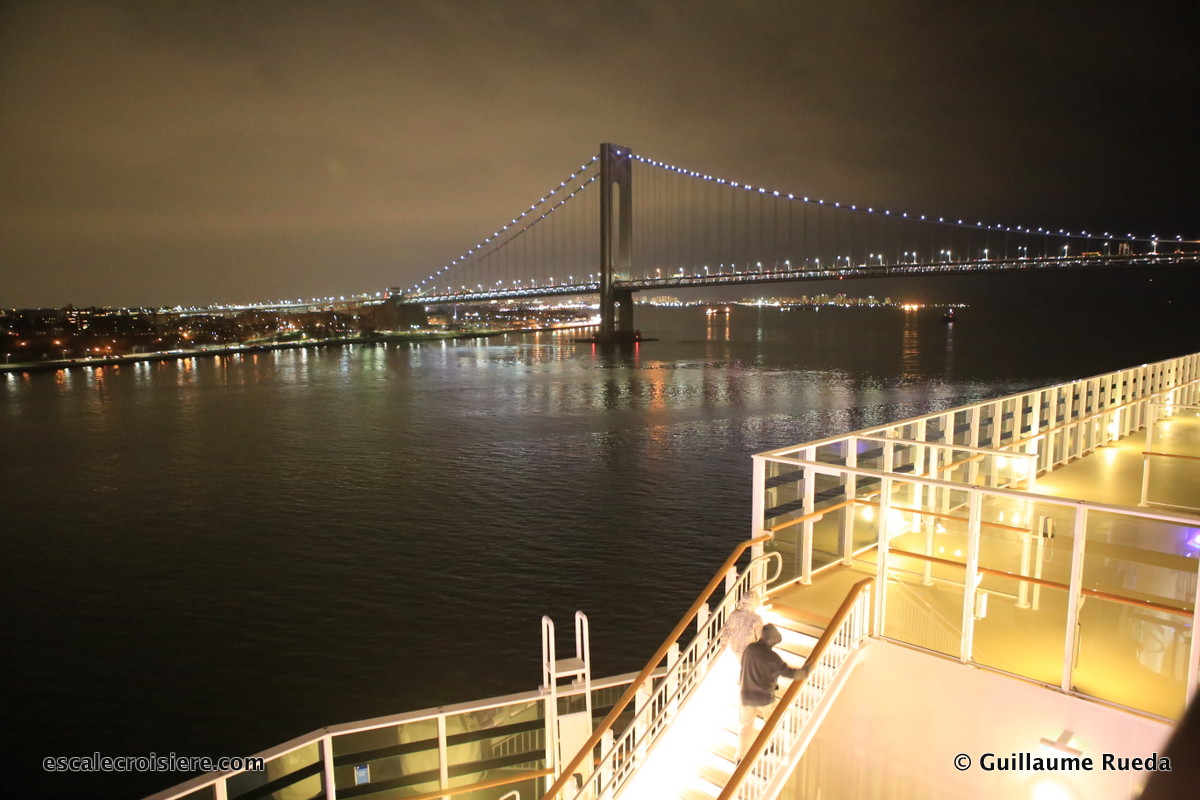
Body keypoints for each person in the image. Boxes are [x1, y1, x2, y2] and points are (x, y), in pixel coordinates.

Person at [738, 623, 805, 761]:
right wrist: (807, 671)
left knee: (745, 727)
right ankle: (768, 745)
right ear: (772, 640)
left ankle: (740, 757)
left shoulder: (749, 649)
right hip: (764, 697)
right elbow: (790, 673)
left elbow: (743, 667)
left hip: (746, 695)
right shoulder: (772, 657)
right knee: (769, 723)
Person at [719, 591, 764, 658]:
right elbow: (759, 637)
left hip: (735, 646)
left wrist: (723, 644)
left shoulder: (734, 614)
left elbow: (727, 630)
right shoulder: (756, 619)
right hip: (749, 648)